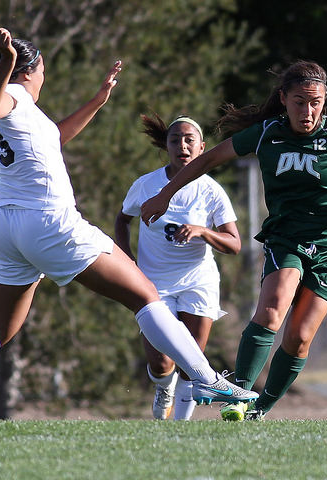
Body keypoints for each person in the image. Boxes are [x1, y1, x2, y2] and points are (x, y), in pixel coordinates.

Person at [0, 27, 257, 421]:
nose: (44, 77)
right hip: (49, 222)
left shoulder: (26, 110)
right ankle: (205, 378)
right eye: (43, 70)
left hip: (8, 226)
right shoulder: (11, 95)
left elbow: (55, 137)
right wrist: (7, 60)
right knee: (146, 295)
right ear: (30, 71)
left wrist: (98, 100)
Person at [140, 60, 327, 421]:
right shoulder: (266, 133)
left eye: (316, 102)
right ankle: (239, 394)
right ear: (284, 99)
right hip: (285, 239)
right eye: (300, 102)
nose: (308, 111)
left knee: (299, 337)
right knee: (272, 311)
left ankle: (262, 408)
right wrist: (165, 194)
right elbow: (208, 159)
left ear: (324, 101)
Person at [115, 114, 241, 420]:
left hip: (198, 281)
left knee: (191, 362)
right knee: (160, 363)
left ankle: (180, 431)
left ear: (202, 148)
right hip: (153, 283)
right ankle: (162, 387)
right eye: (175, 139)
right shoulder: (146, 185)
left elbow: (234, 244)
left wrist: (203, 231)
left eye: (189, 140)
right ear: (166, 146)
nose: (182, 145)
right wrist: (127, 260)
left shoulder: (211, 190)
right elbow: (123, 219)